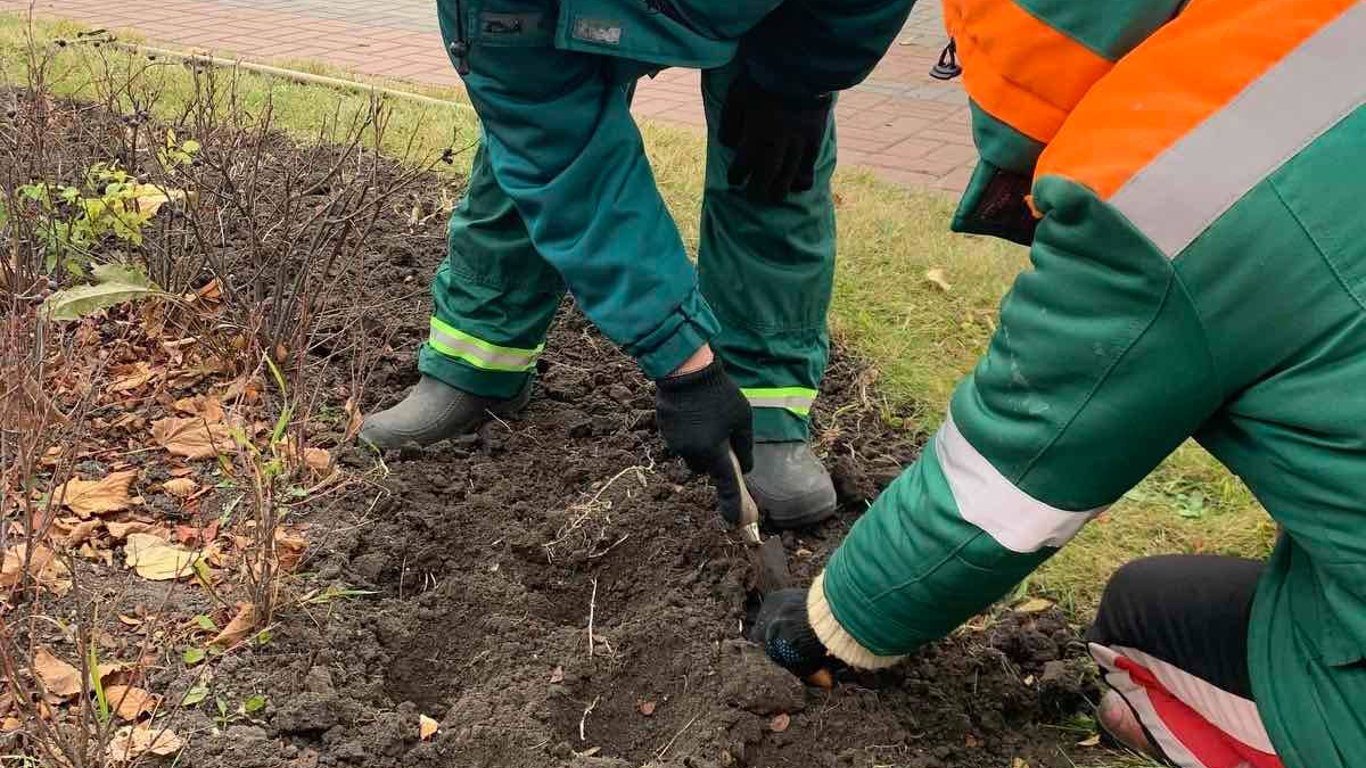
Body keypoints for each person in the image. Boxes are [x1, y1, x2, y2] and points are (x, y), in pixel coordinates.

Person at [749, 1, 1366, 766]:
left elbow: (997, 492)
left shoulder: (1163, 189)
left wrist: (824, 626)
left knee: (1132, 651)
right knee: (1158, 602)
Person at [359, 0, 914, 530]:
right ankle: (478, 358)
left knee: (771, 164)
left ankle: (765, 409)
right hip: (547, 19)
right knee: (534, 148)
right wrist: (687, 368)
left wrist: (805, 74)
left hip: (769, 15)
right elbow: (563, 159)